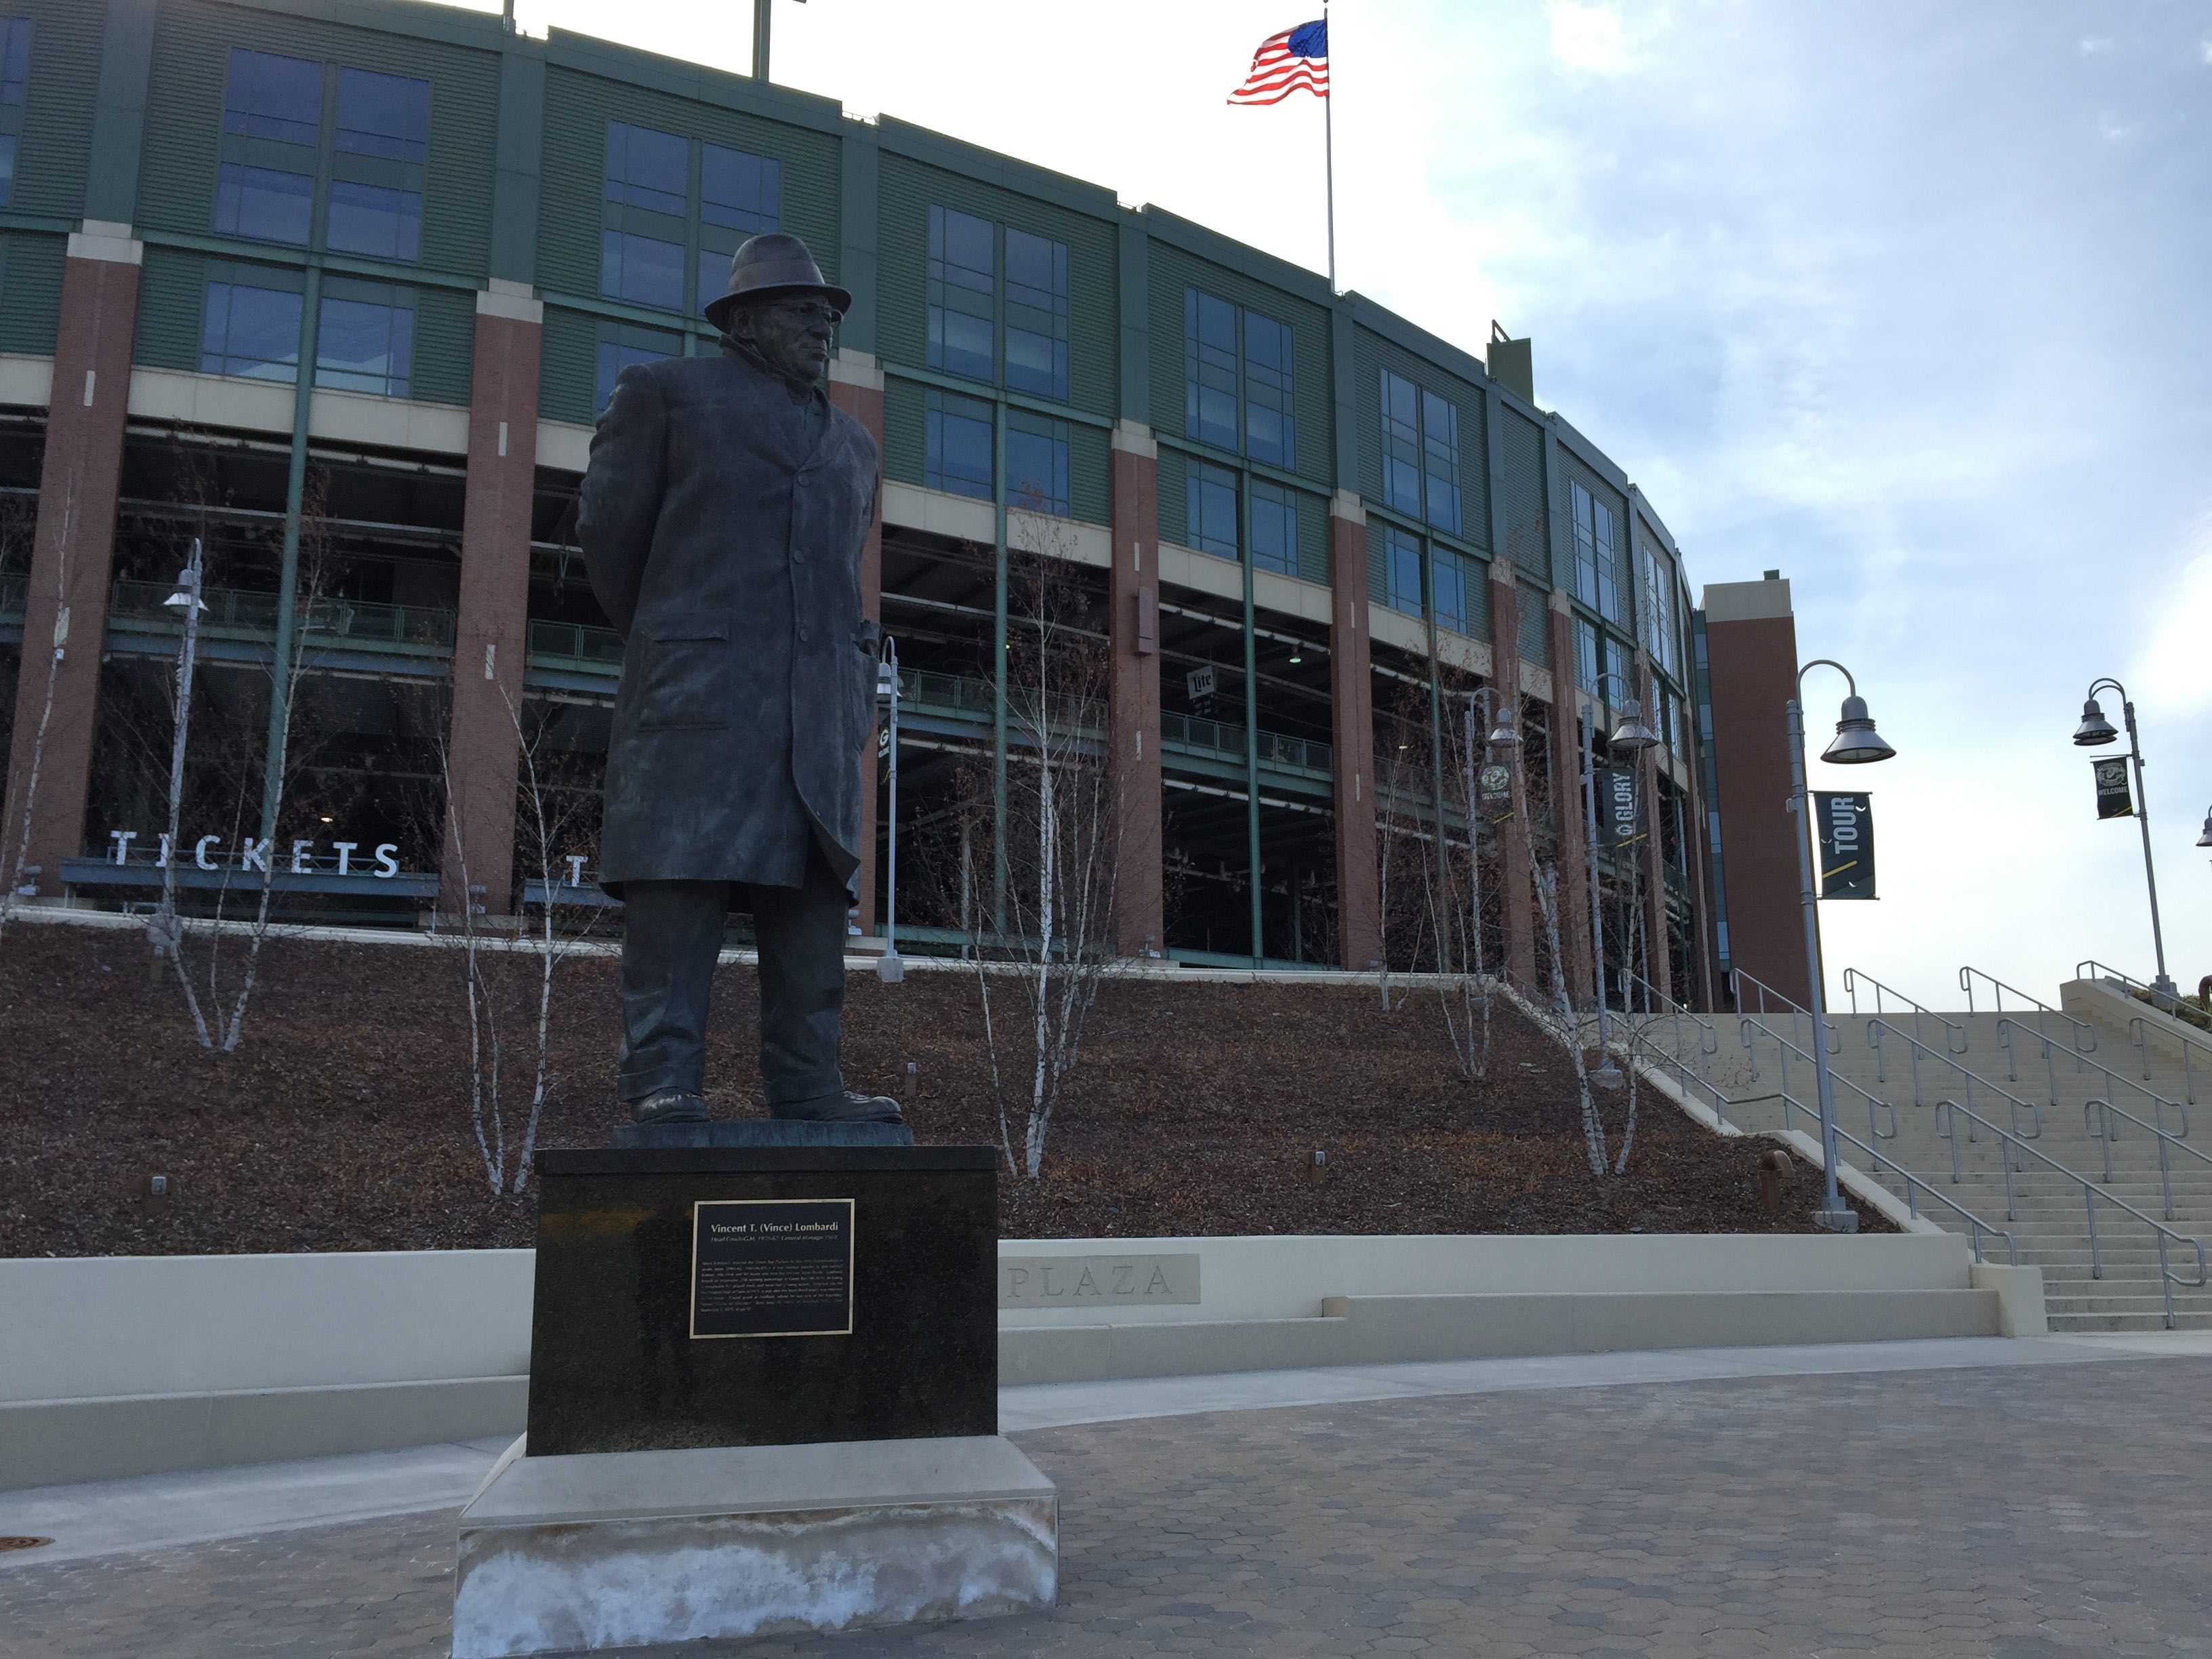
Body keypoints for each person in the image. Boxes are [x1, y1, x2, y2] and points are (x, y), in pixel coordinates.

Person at [578, 232, 898, 1128]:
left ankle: (808, 1084)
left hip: (817, 712)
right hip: (701, 692)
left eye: (827, 317)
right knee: (679, 889)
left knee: (809, 903)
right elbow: (610, 541)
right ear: (745, 321)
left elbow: (838, 570)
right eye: (803, 313)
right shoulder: (665, 395)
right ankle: (663, 1078)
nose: (819, 330)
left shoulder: (854, 445)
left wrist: (854, 675)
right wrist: (681, 637)